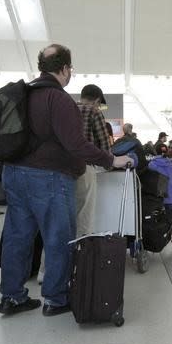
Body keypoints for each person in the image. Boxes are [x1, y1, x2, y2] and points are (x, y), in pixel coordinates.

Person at [0, 43, 131, 318]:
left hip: (13, 174)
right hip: (48, 178)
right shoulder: (58, 99)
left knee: (17, 238)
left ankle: (11, 296)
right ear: (64, 69)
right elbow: (76, 144)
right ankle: (56, 299)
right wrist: (111, 160)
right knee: (59, 238)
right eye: (70, 68)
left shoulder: (23, 94)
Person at [75, 83, 111, 237]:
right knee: (84, 216)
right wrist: (110, 164)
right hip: (84, 169)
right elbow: (104, 144)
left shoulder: (67, 108)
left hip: (61, 169)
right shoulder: (93, 112)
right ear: (97, 100)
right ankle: (81, 254)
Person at [148, 156, 172, 241]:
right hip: (169, 189)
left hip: (162, 190)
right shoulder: (169, 163)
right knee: (168, 210)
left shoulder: (153, 163)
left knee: (167, 212)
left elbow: (150, 167)